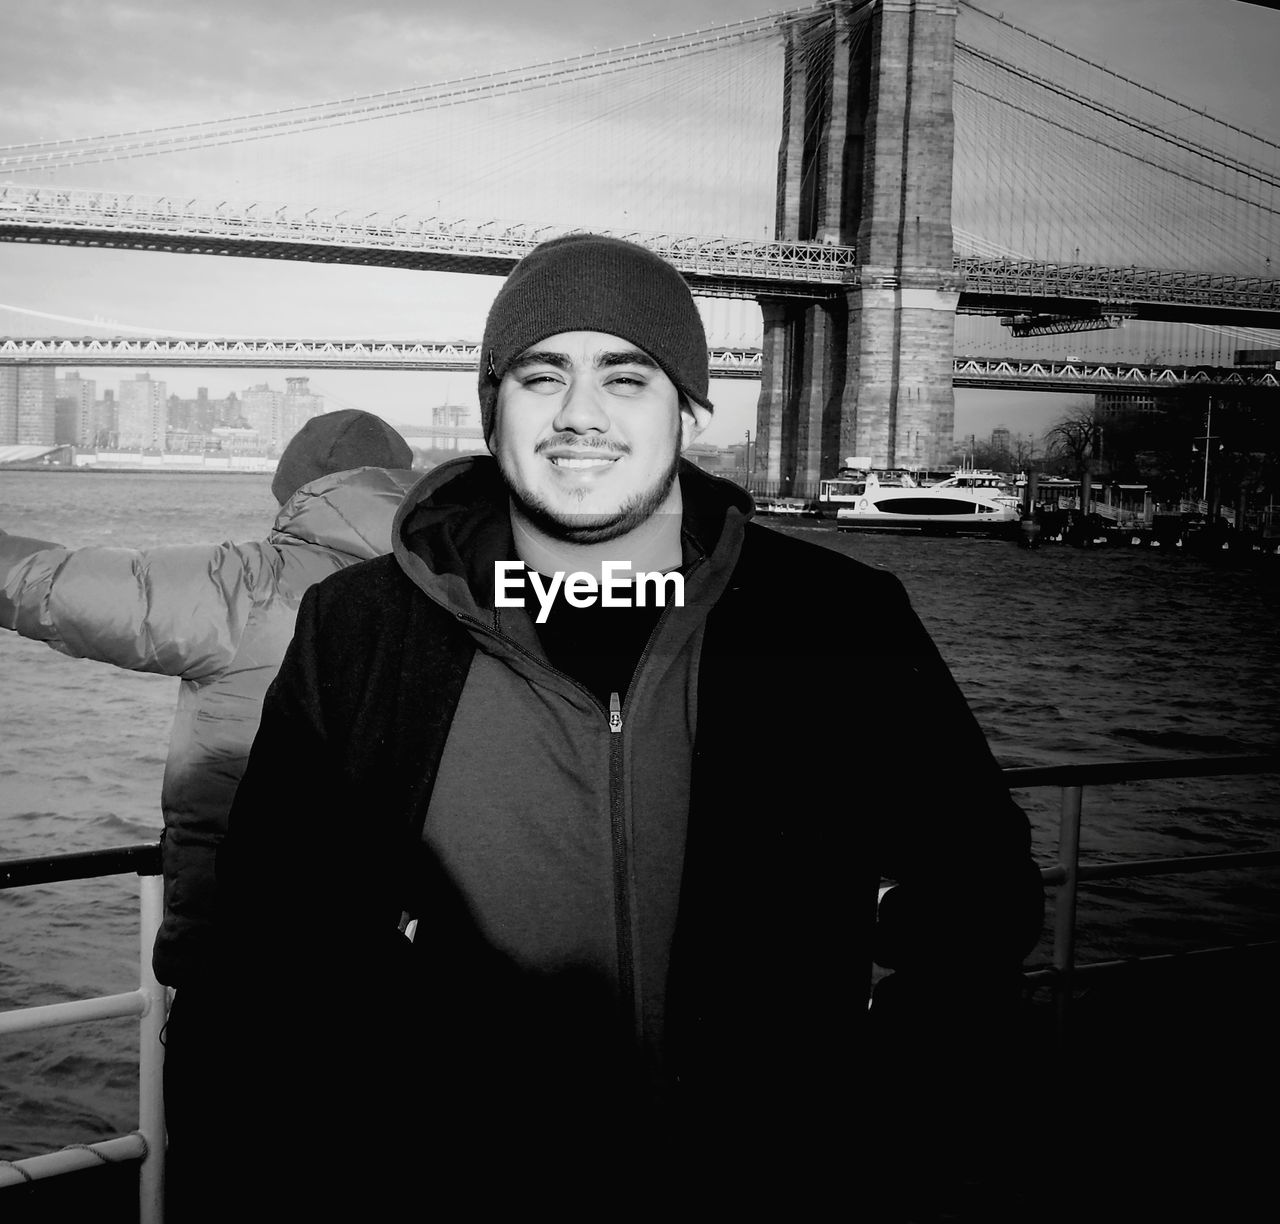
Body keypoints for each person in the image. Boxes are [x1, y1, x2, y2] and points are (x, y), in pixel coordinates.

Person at [210, 237, 1044, 1217]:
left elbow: (979, 901)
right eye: (539, 374)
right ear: (491, 406)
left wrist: (873, 1127)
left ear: (684, 405)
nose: (579, 414)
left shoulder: (837, 620)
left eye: (625, 375)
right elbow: (266, 960)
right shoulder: (361, 628)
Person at [0, 409, 417, 1212]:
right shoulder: (456, 590)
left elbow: (49, 585)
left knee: (227, 1183)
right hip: (389, 979)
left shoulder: (250, 584)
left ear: (295, 493)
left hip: (244, 973)